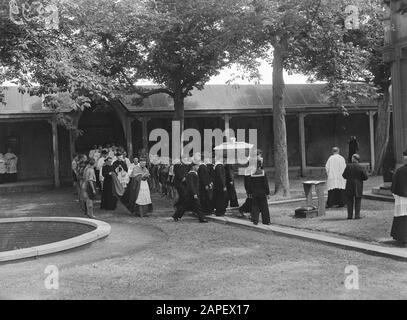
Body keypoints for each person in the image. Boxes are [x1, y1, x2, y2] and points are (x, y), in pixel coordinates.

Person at [342, 154, 368, 219]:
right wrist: (360, 179)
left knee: (349, 201)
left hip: (349, 185)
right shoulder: (361, 167)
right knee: (358, 200)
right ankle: (357, 215)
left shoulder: (348, 166)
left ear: (353, 159)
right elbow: (365, 177)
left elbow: (344, 175)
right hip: (358, 185)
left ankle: (349, 216)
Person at [390, 149, 407, 245]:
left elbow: (393, 187)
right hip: (402, 197)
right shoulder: (399, 170)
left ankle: (403, 238)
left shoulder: (399, 171)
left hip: (401, 198)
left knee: (402, 218)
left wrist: (396, 196)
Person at [248, 160, 271, 225]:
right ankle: (266, 221)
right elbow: (265, 184)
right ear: (260, 165)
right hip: (262, 193)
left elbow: (250, 184)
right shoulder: (263, 172)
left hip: (255, 193)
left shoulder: (252, 173)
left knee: (255, 207)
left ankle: (255, 220)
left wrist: (249, 192)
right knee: (264, 207)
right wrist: (268, 193)